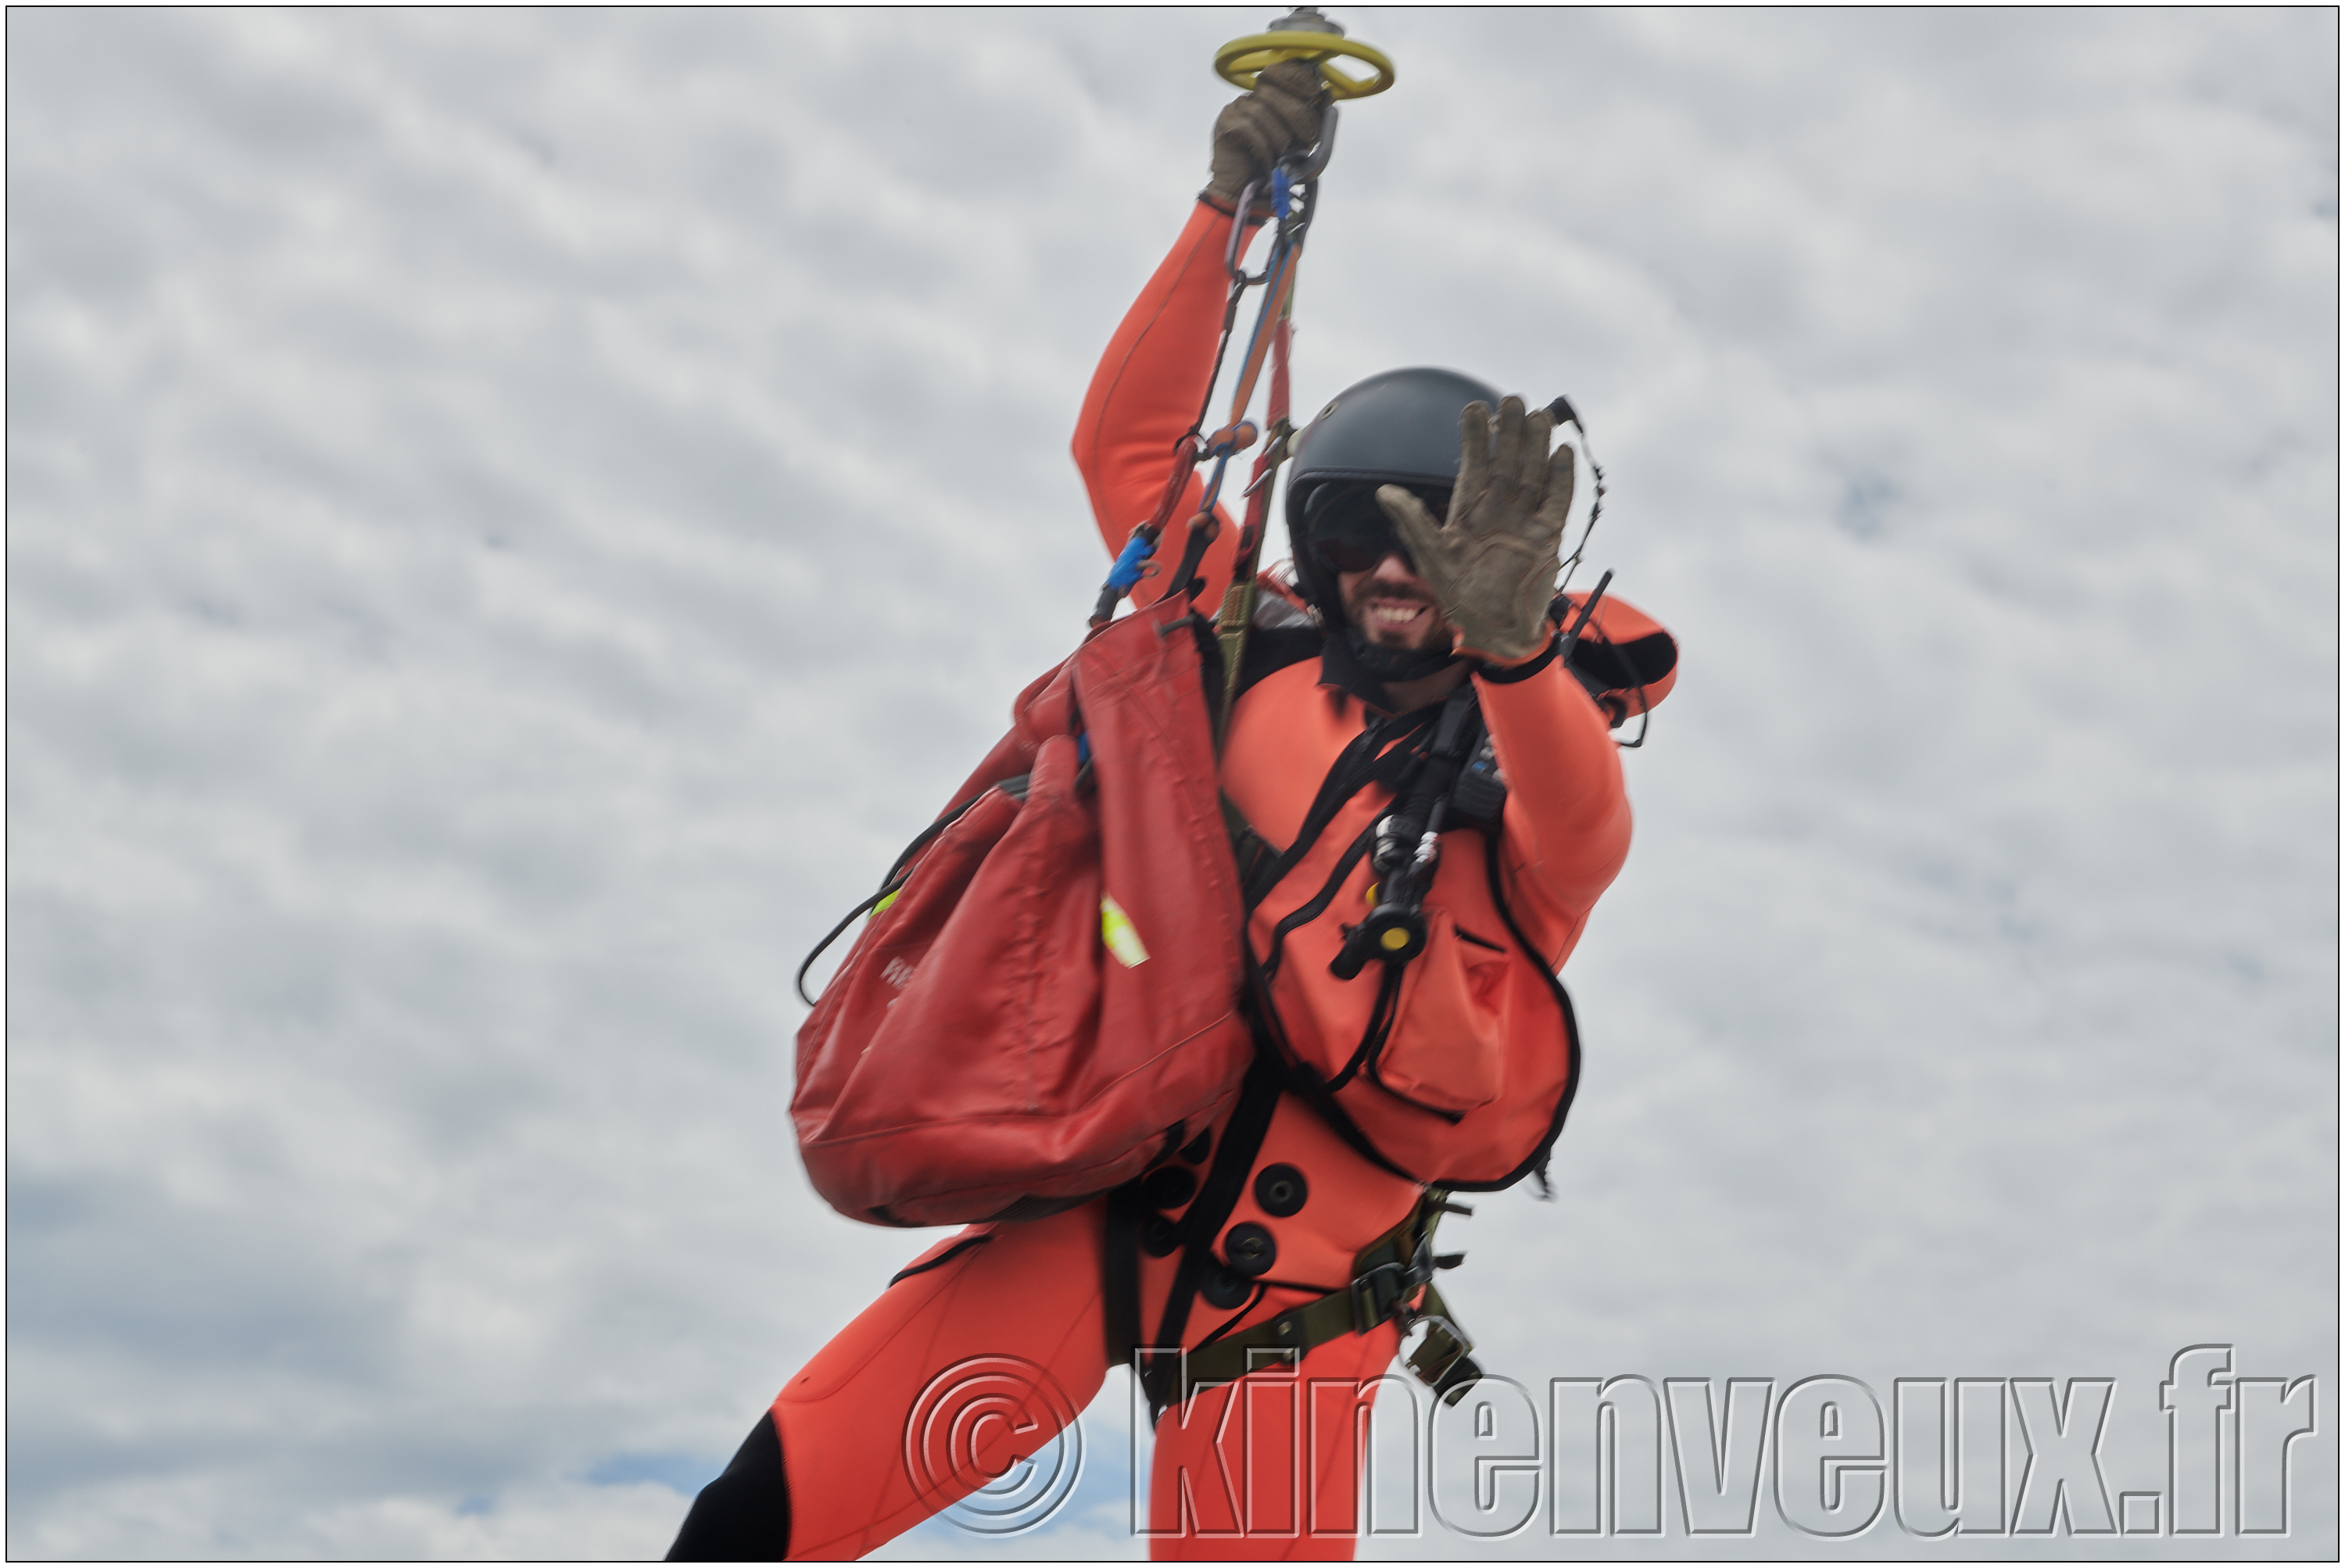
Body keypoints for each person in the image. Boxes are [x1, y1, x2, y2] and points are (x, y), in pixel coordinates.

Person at [669, 59, 1672, 1563]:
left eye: (1443, 542)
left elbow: (1585, 829)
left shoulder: (1522, 763)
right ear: (1318, 548)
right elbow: (1132, 459)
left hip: (1305, 1293)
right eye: (1362, 531)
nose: (1402, 572)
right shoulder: (1233, 656)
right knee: (750, 1529)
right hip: (1106, 1210)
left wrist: (1519, 644)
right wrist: (1222, 211)